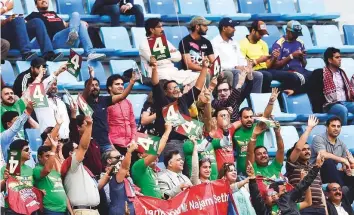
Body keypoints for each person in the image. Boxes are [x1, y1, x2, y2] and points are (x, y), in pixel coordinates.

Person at [150, 54, 208, 158]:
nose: (176, 89)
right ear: (166, 92)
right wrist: (154, 68)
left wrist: (204, 68)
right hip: (173, 143)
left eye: (177, 86)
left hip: (188, 141)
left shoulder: (184, 100)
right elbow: (155, 84)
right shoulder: (163, 101)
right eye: (172, 88)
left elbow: (198, 87)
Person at [61, 116, 111, 215]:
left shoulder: (84, 169)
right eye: (76, 148)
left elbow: (97, 186)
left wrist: (108, 173)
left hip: (93, 211)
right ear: (71, 153)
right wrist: (89, 125)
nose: (79, 149)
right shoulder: (72, 165)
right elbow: (83, 147)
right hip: (82, 211)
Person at [25, 0, 105, 61]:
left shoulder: (53, 13)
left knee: (75, 15)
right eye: (40, 0)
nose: (43, 0)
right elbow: (25, 26)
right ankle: (87, 50)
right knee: (79, 23)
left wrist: (79, 23)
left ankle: (85, 49)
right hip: (55, 41)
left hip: (69, 41)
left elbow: (66, 24)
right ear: (36, 5)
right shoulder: (34, 15)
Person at [83, 67, 138, 153]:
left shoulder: (104, 100)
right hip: (100, 144)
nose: (94, 87)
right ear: (109, 87)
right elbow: (107, 126)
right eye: (91, 85)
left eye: (97, 85)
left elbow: (122, 96)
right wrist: (91, 77)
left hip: (123, 144)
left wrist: (131, 82)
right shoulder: (84, 102)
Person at [247, 154, 323, 215]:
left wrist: (316, 167)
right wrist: (252, 179)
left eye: (274, 193)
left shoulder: (287, 198)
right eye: (269, 194)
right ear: (264, 200)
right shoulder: (264, 211)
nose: (273, 195)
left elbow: (303, 184)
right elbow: (255, 197)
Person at [286, 115, 327, 215]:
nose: (307, 151)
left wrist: (326, 211)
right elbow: (298, 148)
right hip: (303, 208)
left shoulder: (315, 167)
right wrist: (309, 128)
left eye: (308, 149)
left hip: (320, 208)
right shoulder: (292, 166)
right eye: (304, 150)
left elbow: (320, 190)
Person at [139, 18, 199, 86]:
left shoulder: (164, 41)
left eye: (162, 26)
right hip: (159, 73)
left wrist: (165, 54)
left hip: (173, 70)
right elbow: (155, 61)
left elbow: (178, 57)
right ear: (152, 30)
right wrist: (169, 53)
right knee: (171, 84)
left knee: (198, 76)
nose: (162, 29)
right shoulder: (144, 44)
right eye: (159, 27)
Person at [233, 88, 278, 175]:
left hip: (258, 173)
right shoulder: (235, 132)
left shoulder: (258, 128)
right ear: (240, 119)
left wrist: (271, 102)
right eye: (246, 117)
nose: (249, 119)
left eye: (251, 117)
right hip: (241, 174)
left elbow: (266, 116)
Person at [211, 17, 263, 92]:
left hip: (237, 69)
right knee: (237, 73)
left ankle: (256, 100)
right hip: (225, 71)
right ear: (224, 28)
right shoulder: (214, 43)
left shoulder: (234, 42)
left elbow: (240, 58)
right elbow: (217, 64)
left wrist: (245, 66)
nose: (234, 29)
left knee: (258, 75)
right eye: (232, 27)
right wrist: (235, 67)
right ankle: (234, 101)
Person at [310, 116, 354, 186]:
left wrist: (348, 168)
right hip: (316, 173)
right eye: (333, 126)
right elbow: (322, 155)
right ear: (327, 128)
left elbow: (347, 163)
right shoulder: (318, 138)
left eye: (338, 126)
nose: (336, 129)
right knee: (328, 162)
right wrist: (342, 159)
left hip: (332, 174)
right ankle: (341, 190)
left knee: (350, 176)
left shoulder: (341, 144)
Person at [34, 136, 72, 215]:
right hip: (50, 210)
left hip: (64, 210)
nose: (50, 158)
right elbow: (47, 170)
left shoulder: (55, 173)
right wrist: (53, 149)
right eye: (47, 156)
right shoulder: (37, 170)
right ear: (39, 157)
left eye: (50, 156)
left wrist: (71, 211)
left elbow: (63, 193)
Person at [131, 123, 171, 198]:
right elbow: (157, 151)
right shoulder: (137, 166)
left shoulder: (151, 170)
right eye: (149, 152)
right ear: (140, 155)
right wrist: (167, 131)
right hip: (148, 207)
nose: (152, 155)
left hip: (157, 207)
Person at [271, 20, 312, 91]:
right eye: (294, 34)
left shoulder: (300, 42)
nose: (296, 36)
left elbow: (304, 64)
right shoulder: (279, 43)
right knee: (295, 77)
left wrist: (302, 58)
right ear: (287, 31)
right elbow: (275, 66)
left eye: (297, 34)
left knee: (318, 74)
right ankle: (280, 92)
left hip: (299, 70)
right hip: (285, 71)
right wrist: (291, 56)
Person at [239, 20, 277, 93]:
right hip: (253, 70)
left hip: (266, 70)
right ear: (253, 31)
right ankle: (263, 98)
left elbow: (267, 65)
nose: (261, 36)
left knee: (290, 76)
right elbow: (243, 66)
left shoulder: (263, 44)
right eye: (260, 34)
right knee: (267, 75)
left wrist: (274, 58)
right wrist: (259, 60)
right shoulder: (242, 44)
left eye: (263, 34)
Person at [0, 140, 37, 214]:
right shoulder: (6, 169)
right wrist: (5, 180)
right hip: (13, 209)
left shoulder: (30, 169)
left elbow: (30, 188)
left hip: (29, 207)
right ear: (18, 152)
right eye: (26, 150)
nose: (29, 152)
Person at [321, 47, 354, 125]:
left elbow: (349, 89)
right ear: (329, 60)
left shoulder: (342, 73)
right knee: (342, 110)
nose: (340, 59)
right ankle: (342, 134)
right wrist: (295, 90)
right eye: (337, 57)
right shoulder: (322, 73)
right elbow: (309, 85)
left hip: (345, 102)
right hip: (331, 104)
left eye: (340, 57)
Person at [179, 16, 214, 87]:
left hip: (206, 69)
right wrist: (205, 69)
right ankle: (205, 97)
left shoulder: (207, 42)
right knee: (206, 74)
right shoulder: (185, 42)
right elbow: (189, 65)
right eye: (204, 26)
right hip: (192, 72)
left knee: (227, 74)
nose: (207, 28)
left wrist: (214, 70)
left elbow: (213, 61)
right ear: (197, 27)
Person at [105, 143, 140, 215]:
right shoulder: (115, 176)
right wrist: (129, 152)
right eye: (118, 157)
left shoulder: (127, 179)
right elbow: (124, 167)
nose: (121, 159)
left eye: (122, 157)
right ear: (109, 161)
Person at [106, 74, 137, 153]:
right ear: (110, 87)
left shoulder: (128, 103)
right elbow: (105, 128)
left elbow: (133, 124)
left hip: (130, 145)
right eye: (117, 84)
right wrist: (111, 146)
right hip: (114, 145)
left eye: (122, 84)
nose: (121, 86)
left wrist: (133, 140)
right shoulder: (106, 104)